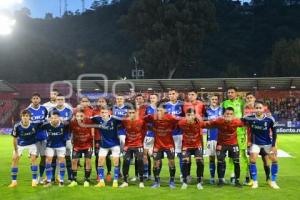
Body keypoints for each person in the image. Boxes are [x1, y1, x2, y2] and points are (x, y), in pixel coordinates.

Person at [204, 107, 245, 187]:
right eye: (227, 114)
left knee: (236, 162)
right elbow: (206, 124)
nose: (229, 115)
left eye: (231, 114)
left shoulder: (237, 121)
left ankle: (237, 181)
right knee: (220, 162)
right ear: (223, 114)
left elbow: (247, 123)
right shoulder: (219, 120)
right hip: (221, 144)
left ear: (233, 115)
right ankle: (220, 180)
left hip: (233, 144)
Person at [243, 101, 279, 189]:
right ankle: (255, 181)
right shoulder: (250, 118)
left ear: (263, 109)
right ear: (254, 109)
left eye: (260, 108)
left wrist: (273, 145)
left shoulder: (270, 118)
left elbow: (274, 133)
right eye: (257, 108)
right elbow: (241, 119)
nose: (258, 109)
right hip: (255, 143)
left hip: (267, 144)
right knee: (252, 160)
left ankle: (273, 181)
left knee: (274, 160)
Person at [144, 105, 178, 189]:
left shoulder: (170, 118)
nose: (158, 112)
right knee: (156, 163)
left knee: (171, 162)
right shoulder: (153, 117)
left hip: (169, 144)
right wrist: (150, 127)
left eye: (160, 110)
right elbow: (143, 119)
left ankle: (172, 181)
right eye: (157, 110)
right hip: (157, 145)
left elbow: (179, 122)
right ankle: (156, 181)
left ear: (165, 111)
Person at [222, 87, 250, 185]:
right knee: (231, 156)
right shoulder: (225, 103)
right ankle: (232, 175)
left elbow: (245, 115)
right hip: (229, 133)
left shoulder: (242, 102)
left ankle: (247, 176)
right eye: (228, 92)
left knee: (242, 155)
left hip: (240, 132)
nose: (230, 94)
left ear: (236, 93)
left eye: (232, 92)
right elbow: (223, 117)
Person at [244, 92, 271, 184]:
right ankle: (252, 179)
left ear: (254, 98)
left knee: (266, 159)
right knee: (251, 159)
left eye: (251, 97)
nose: (249, 99)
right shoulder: (245, 109)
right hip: (251, 138)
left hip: (265, 139)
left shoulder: (265, 109)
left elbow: (269, 122)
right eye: (247, 98)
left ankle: (268, 178)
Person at [92, 107, 122, 188]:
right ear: (100, 113)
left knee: (116, 162)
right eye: (102, 112)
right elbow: (86, 119)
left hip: (115, 144)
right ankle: (101, 182)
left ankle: (115, 181)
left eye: (105, 112)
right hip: (104, 145)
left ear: (109, 112)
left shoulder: (114, 119)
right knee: (100, 161)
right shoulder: (97, 119)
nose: (103, 114)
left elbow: (125, 121)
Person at [9, 110, 39, 188]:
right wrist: (16, 151)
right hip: (20, 144)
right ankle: (14, 182)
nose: (25, 117)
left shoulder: (34, 124)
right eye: (23, 116)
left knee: (33, 160)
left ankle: (34, 181)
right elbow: (14, 139)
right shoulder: (17, 126)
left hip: (32, 144)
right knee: (14, 159)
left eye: (26, 116)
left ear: (29, 117)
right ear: (21, 117)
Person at [119, 107, 146, 188]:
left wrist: (141, 141)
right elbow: (120, 127)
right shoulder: (125, 121)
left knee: (140, 160)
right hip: (128, 145)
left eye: (133, 112)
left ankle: (141, 181)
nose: (131, 114)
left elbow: (144, 131)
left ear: (136, 113)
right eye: (129, 113)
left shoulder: (141, 121)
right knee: (126, 161)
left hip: (138, 144)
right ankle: (125, 182)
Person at [183, 90, 206, 182]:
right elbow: (183, 117)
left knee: (200, 157)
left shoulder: (201, 104)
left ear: (196, 95)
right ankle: (187, 175)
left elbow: (204, 116)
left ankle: (200, 176)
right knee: (186, 158)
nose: (191, 96)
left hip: (199, 134)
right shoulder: (185, 105)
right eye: (189, 94)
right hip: (187, 134)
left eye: (192, 94)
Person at [178, 108, 204, 190]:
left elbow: (204, 124)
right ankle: (185, 182)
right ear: (185, 116)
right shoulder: (182, 123)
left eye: (191, 115)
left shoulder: (199, 123)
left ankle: (199, 182)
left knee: (199, 161)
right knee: (185, 162)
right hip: (186, 145)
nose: (189, 117)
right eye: (188, 115)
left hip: (197, 145)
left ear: (194, 115)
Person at [43, 110, 69, 187]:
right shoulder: (46, 125)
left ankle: (61, 181)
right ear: (50, 118)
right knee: (48, 161)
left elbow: (68, 125)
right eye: (52, 118)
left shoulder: (64, 125)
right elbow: (39, 128)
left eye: (56, 118)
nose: (54, 119)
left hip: (61, 145)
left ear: (59, 118)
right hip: (50, 145)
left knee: (62, 161)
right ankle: (48, 180)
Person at [51, 93, 73, 182]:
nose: (60, 101)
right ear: (56, 100)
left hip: (66, 137)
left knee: (67, 157)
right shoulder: (51, 110)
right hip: (55, 138)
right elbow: (49, 122)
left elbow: (70, 123)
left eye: (62, 99)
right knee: (54, 158)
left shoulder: (69, 110)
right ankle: (52, 178)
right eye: (58, 99)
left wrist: (62, 121)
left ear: (64, 101)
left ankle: (70, 177)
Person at [27, 92, 48, 184]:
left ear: (40, 99)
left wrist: (43, 123)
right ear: (31, 100)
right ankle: (34, 178)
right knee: (33, 158)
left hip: (43, 137)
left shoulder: (44, 109)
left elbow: (47, 121)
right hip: (33, 138)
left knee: (44, 157)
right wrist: (37, 124)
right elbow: (26, 124)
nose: (35, 100)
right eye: (34, 98)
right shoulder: (28, 110)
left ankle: (40, 176)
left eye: (37, 98)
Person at [68, 110, 93, 187]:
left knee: (88, 161)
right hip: (77, 145)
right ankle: (74, 180)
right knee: (74, 161)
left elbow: (93, 130)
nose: (79, 117)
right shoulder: (72, 123)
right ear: (75, 116)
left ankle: (87, 180)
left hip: (87, 144)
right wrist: (71, 140)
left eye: (81, 116)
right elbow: (69, 131)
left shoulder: (89, 121)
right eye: (77, 116)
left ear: (84, 116)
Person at [164, 89, 184, 182]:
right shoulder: (165, 105)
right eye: (170, 94)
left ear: (177, 94)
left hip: (179, 133)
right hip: (168, 134)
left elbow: (185, 117)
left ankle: (182, 174)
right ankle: (171, 176)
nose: (171, 95)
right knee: (170, 156)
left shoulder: (182, 105)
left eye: (173, 94)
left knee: (180, 155)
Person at [93, 97, 113, 181]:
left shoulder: (110, 112)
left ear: (105, 103)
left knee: (107, 156)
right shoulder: (94, 112)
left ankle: (108, 173)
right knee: (98, 156)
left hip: (108, 138)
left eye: (102, 101)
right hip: (98, 138)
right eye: (99, 101)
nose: (101, 103)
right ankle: (98, 174)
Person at [205, 94, 223, 184]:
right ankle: (212, 177)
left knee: (221, 158)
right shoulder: (206, 111)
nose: (214, 100)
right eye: (213, 99)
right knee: (211, 158)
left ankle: (221, 177)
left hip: (221, 137)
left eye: (216, 99)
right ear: (210, 100)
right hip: (210, 137)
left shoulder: (222, 110)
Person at [143, 94, 158, 180]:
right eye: (151, 98)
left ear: (157, 99)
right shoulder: (147, 108)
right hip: (148, 134)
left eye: (154, 98)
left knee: (155, 155)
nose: (152, 99)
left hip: (157, 135)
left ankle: (155, 173)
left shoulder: (160, 109)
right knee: (145, 154)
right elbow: (144, 120)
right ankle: (146, 173)